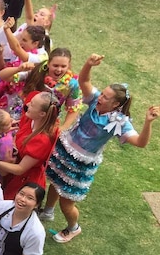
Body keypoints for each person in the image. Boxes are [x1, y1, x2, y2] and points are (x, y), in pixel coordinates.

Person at [44, 54, 159, 242]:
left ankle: (73, 228)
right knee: (55, 180)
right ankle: (47, 211)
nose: (100, 97)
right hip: (65, 150)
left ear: (115, 104)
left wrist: (148, 122)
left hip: (80, 164)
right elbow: (84, 81)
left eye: (106, 97)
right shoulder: (95, 100)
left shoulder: (119, 122)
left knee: (66, 202)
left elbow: (140, 142)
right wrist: (89, 64)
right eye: (102, 94)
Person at [0, 91, 59, 200]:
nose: (28, 104)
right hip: (12, 168)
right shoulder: (31, 118)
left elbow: (20, 169)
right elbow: (18, 135)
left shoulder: (41, 141)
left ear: (42, 114)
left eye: (33, 104)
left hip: (24, 180)